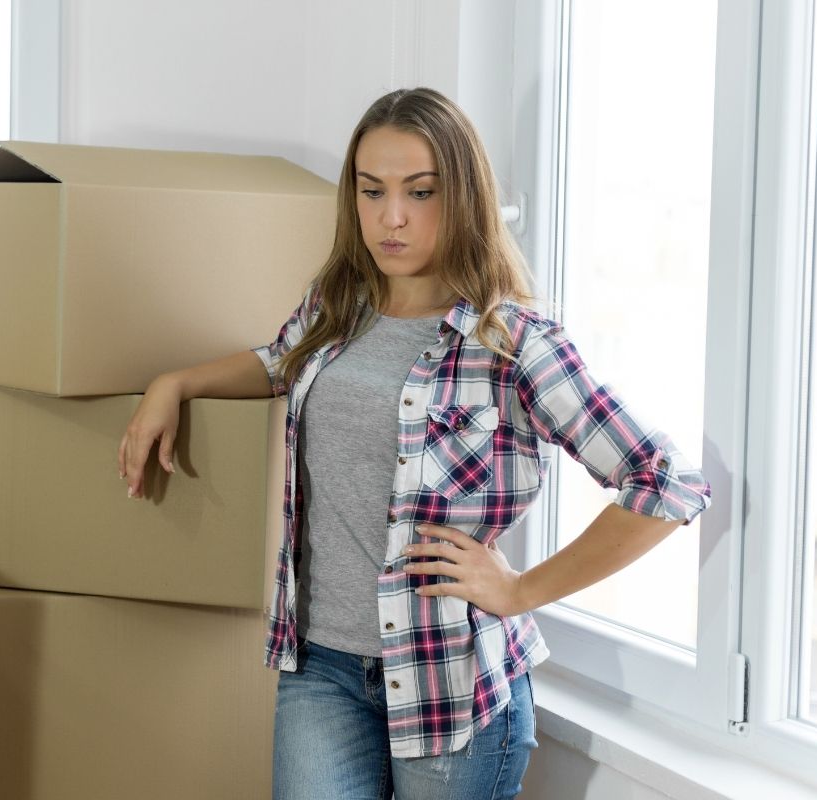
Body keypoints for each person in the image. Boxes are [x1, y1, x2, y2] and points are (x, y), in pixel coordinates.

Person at [118, 87, 711, 800]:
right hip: (322, 669)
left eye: (419, 192)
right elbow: (280, 361)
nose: (390, 217)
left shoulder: (513, 341)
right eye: (372, 192)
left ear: (461, 196)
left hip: (452, 684)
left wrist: (521, 590)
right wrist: (174, 384)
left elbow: (665, 483)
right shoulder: (339, 304)